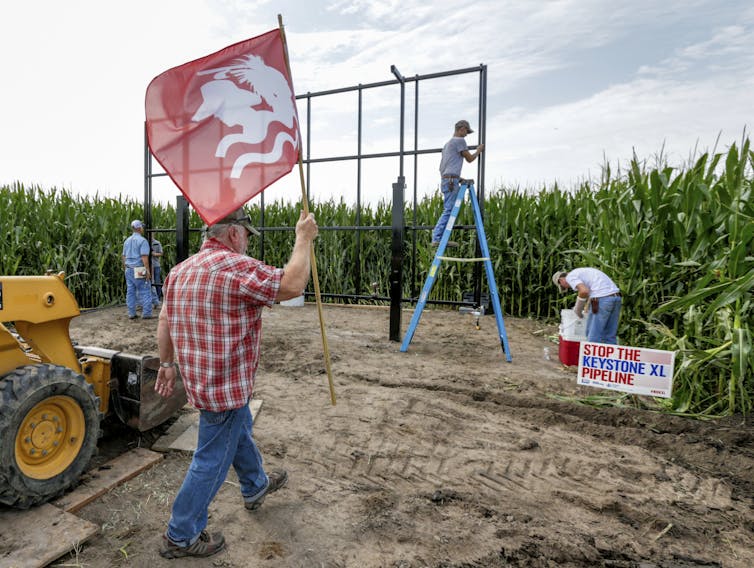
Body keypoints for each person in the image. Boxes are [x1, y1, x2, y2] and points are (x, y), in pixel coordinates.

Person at [154, 206, 318, 559]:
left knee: (237, 429)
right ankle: (180, 534)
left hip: (202, 384)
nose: (246, 242)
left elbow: (166, 319)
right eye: (246, 235)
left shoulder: (180, 271)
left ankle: (255, 485)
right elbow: (291, 284)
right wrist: (303, 239)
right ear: (233, 234)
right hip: (225, 387)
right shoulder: (235, 267)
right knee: (211, 458)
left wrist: (167, 364)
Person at [431, 119, 484, 248]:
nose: (466, 134)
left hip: (447, 179)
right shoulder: (459, 141)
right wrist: (478, 150)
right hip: (450, 180)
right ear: (461, 129)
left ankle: (440, 239)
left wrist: (458, 179)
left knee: (448, 209)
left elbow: (443, 167)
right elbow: (470, 159)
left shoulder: (447, 144)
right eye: (466, 131)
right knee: (449, 210)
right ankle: (437, 238)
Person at [552, 268, 622, 344]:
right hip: (616, 298)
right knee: (609, 335)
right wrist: (587, 306)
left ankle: (592, 355)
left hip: (602, 300)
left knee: (593, 334)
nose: (567, 287)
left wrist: (578, 309)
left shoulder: (570, 277)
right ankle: (610, 355)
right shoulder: (581, 272)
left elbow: (584, 291)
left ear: (561, 280)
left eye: (563, 286)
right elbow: (592, 290)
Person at [122, 220, 153, 320]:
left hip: (128, 269)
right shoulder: (142, 241)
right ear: (139, 228)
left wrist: (125, 268)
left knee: (130, 291)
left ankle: (131, 313)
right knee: (145, 290)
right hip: (139, 268)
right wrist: (147, 271)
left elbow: (124, 256)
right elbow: (144, 257)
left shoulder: (127, 240)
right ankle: (147, 313)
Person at [150, 236, 164, 306]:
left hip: (156, 265)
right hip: (148, 266)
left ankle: (158, 299)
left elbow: (161, 253)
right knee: (149, 282)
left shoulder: (157, 243)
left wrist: (154, 254)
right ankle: (152, 300)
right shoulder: (145, 242)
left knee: (157, 281)